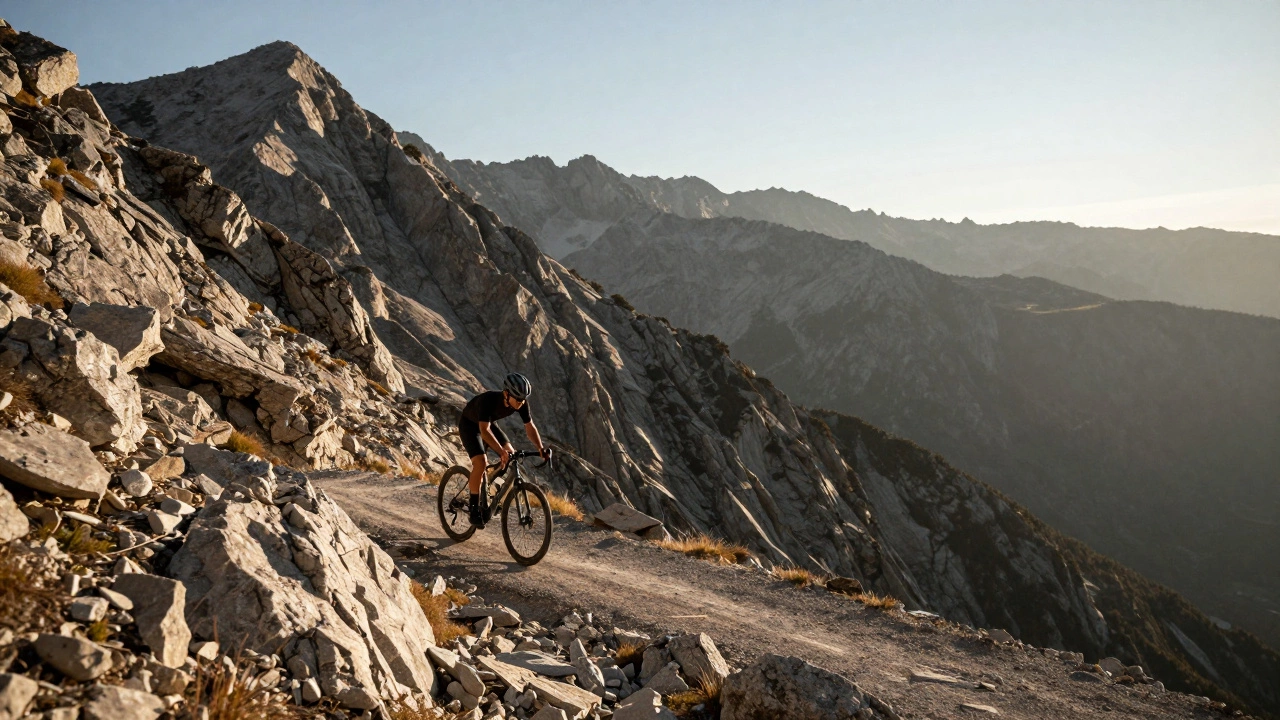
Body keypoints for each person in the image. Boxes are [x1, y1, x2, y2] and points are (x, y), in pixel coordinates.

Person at [458, 373, 548, 527]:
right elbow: (484, 431)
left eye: (523, 399)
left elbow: (529, 426)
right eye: (518, 399)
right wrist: (500, 451)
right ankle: (474, 509)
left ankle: (490, 490)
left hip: (489, 424)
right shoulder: (488, 400)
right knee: (480, 462)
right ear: (506, 394)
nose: (521, 403)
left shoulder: (521, 402)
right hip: (470, 426)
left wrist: (540, 448)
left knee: (511, 454)